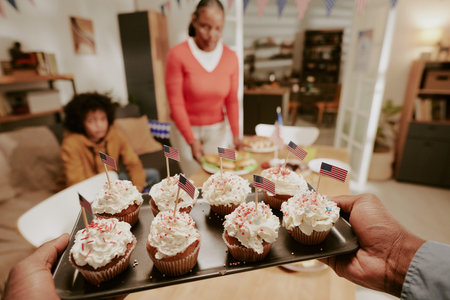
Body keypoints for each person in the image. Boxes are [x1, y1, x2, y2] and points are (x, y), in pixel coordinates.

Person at [4, 194, 450, 299]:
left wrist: (397, 257)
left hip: (252, 229)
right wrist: (398, 258)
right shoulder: (147, 228)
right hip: (156, 240)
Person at [165, 0, 240, 176]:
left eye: (218, 28)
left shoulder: (231, 57)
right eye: (205, 27)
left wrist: (236, 135)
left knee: (218, 177)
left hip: (218, 130)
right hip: (185, 130)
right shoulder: (177, 54)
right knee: (194, 178)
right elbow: (176, 103)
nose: (211, 35)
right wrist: (191, 140)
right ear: (194, 21)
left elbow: (232, 101)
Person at [61, 92, 159, 192]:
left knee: (152, 175)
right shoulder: (71, 144)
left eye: (103, 119)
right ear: (80, 123)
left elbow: (133, 163)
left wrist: (137, 190)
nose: (99, 125)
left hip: (111, 180)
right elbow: (76, 182)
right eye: (91, 121)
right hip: (89, 186)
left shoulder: (115, 135)